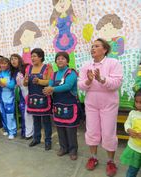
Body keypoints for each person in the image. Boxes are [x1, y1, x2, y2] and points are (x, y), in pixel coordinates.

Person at [78, 38, 123, 177]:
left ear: (105, 49)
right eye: (92, 46)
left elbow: (117, 83)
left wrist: (101, 79)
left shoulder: (113, 63)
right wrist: (89, 80)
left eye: (96, 46)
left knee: (109, 133)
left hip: (109, 104)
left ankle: (110, 161)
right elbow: (80, 85)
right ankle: (93, 158)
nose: (93, 48)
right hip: (91, 104)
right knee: (92, 131)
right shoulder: (86, 65)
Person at [43, 52, 80, 160]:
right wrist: (47, 90)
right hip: (58, 106)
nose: (60, 60)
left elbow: (68, 86)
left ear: (67, 61)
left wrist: (52, 89)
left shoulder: (71, 73)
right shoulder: (54, 74)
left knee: (70, 129)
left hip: (70, 107)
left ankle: (73, 150)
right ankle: (63, 148)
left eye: (63, 58)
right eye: (58, 59)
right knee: (60, 128)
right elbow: (50, 84)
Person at [24, 48, 53, 150]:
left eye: (35, 56)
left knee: (46, 121)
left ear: (40, 57)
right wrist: (26, 81)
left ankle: (48, 140)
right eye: (31, 56)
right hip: (32, 98)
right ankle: (36, 138)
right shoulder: (28, 68)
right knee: (35, 119)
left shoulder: (47, 67)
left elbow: (50, 82)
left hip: (43, 97)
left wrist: (39, 81)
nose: (32, 58)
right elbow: (25, 84)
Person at [10, 54, 34, 139]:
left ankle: (29, 133)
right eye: (11, 59)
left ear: (19, 59)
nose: (13, 61)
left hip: (30, 93)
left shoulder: (26, 67)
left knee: (29, 114)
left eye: (15, 58)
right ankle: (25, 132)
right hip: (21, 95)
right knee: (24, 113)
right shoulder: (13, 71)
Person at [0, 57, 17, 140]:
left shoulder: (11, 73)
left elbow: (12, 85)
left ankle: (12, 132)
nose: (3, 65)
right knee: (3, 114)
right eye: (1, 63)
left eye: (5, 63)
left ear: (8, 64)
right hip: (1, 98)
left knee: (10, 115)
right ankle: (6, 129)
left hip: (10, 97)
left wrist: (4, 84)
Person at [120, 90, 141, 177]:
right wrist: (129, 129)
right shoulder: (133, 113)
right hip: (134, 149)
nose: (138, 104)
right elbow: (127, 123)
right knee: (132, 171)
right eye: (136, 102)